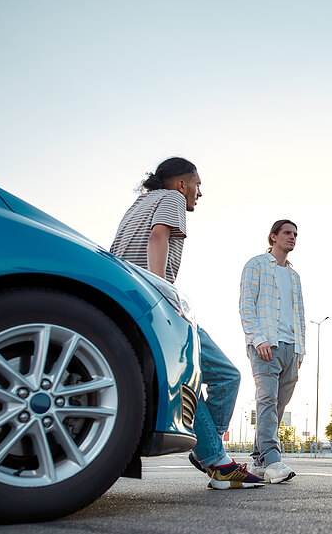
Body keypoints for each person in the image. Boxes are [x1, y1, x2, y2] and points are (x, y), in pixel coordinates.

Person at [110, 157, 264, 490]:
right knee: (226, 374)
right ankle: (213, 455)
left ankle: (216, 459)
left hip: (124, 299)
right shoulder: (173, 198)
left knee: (190, 381)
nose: (199, 193)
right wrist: (160, 291)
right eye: (197, 184)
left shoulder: (138, 204)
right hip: (152, 301)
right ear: (182, 183)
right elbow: (158, 237)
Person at [239, 220, 306, 484]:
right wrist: (257, 339)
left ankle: (258, 460)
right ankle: (273, 461)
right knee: (266, 400)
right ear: (273, 237)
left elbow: (299, 314)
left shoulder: (294, 275)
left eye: (295, 235)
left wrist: (300, 351)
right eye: (288, 233)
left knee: (278, 405)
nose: (292, 237)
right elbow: (246, 305)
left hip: (291, 347)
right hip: (266, 345)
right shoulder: (255, 265)